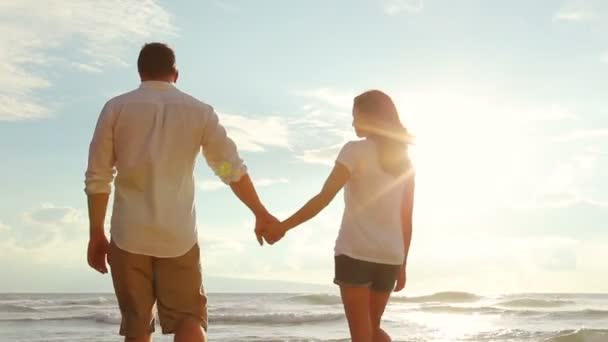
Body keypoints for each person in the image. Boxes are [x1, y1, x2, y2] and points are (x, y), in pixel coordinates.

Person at [84, 42, 277, 342]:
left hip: (129, 234)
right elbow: (228, 169)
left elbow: (99, 177)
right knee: (189, 319)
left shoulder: (116, 108)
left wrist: (96, 232)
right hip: (179, 236)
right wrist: (260, 212)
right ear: (176, 74)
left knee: (137, 323)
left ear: (140, 72)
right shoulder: (199, 111)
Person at [265, 90, 416, 342]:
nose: (353, 123)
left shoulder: (354, 150)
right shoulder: (405, 162)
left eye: (356, 116)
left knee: (362, 335)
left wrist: (284, 226)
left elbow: (324, 198)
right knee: (372, 331)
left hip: (355, 254)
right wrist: (402, 264)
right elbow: (406, 219)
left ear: (370, 117)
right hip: (390, 257)